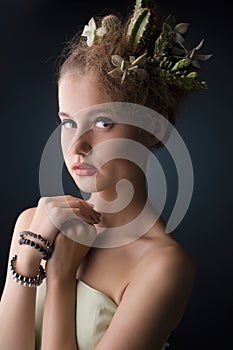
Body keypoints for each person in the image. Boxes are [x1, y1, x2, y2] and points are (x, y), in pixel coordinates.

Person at [0, 0, 211, 349]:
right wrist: (27, 258)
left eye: (103, 123)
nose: (77, 146)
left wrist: (61, 278)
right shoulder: (33, 225)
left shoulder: (163, 266)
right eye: (68, 123)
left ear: (152, 129)